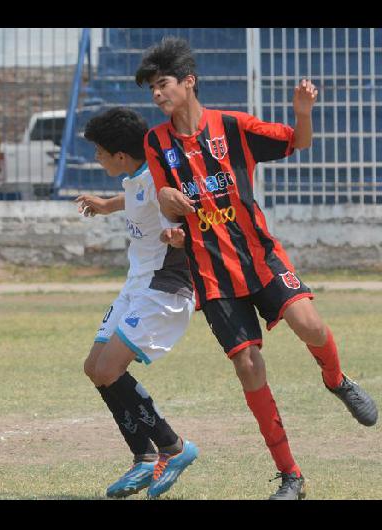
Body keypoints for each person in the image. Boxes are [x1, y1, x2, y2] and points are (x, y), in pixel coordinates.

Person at [135, 37, 378, 500]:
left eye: (162, 84)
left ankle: (336, 380)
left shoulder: (232, 126)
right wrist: (168, 207)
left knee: (309, 324)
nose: (157, 95)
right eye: (151, 88)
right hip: (210, 272)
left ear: (189, 82)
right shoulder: (156, 142)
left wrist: (302, 112)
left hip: (260, 257)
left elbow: (297, 142)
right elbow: (168, 204)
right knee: (248, 365)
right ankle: (291, 475)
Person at [75, 107, 198, 499]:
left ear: (121, 157)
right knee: (95, 368)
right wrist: (104, 204)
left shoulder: (162, 184)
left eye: (99, 151)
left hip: (164, 287)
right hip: (137, 284)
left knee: (109, 368)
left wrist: (179, 238)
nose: (96, 157)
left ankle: (174, 447)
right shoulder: (138, 179)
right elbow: (133, 200)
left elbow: (188, 219)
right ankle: (143, 457)